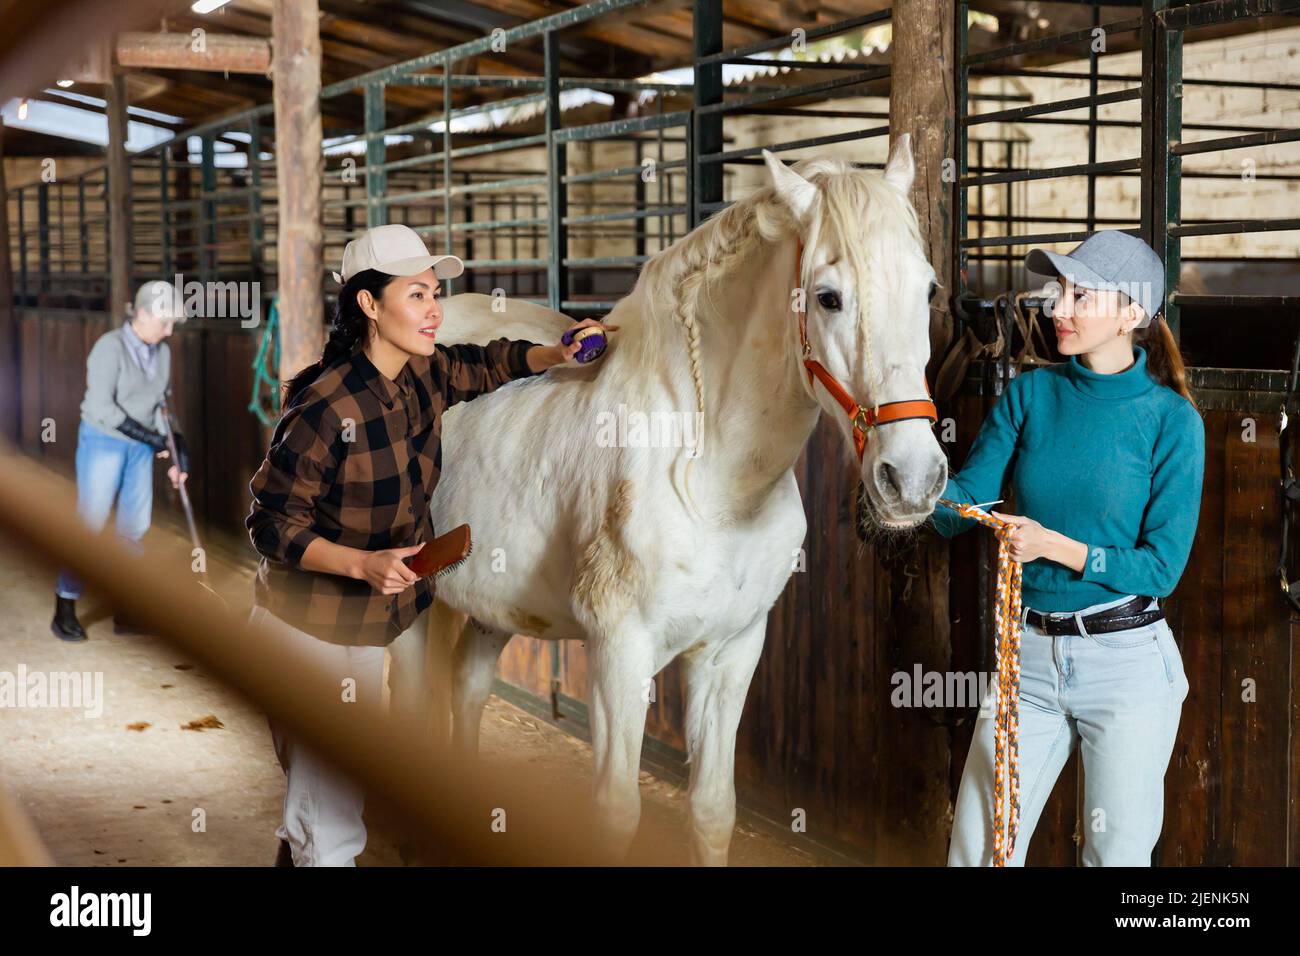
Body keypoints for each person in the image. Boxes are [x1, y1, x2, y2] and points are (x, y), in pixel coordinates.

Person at [246, 223, 615, 867]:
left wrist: (556, 354)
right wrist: (360, 562)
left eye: (436, 293)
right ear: (369, 305)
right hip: (305, 629)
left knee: (319, 803)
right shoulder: (325, 408)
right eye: (416, 295)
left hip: (362, 626)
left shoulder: (421, 375)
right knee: (330, 823)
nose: (435, 308)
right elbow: (271, 524)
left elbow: (488, 363)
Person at [932, 230, 1204, 866]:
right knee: (979, 853)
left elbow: (1161, 568)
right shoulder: (1031, 395)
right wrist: (909, 481)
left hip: (1127, 663)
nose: (1058, 307)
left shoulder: (1171, 421)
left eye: (1080, 293)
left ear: (1131, 314)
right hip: (1026, 660)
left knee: (1113, 859)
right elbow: (964, 501)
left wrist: (1057, 546)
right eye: (1058, 290)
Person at [52, 281, 190, 641]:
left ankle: (125, 608)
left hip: (139, 447)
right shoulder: (108, 348)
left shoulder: (161, 351)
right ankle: (64, 605)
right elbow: (101, 407)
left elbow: (162, 404)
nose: (169, 330)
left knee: (135, 525)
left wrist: (176, 445)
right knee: (92, 522)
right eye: (165, 322)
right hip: (105, 440)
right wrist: (151, 438)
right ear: (142, 315)